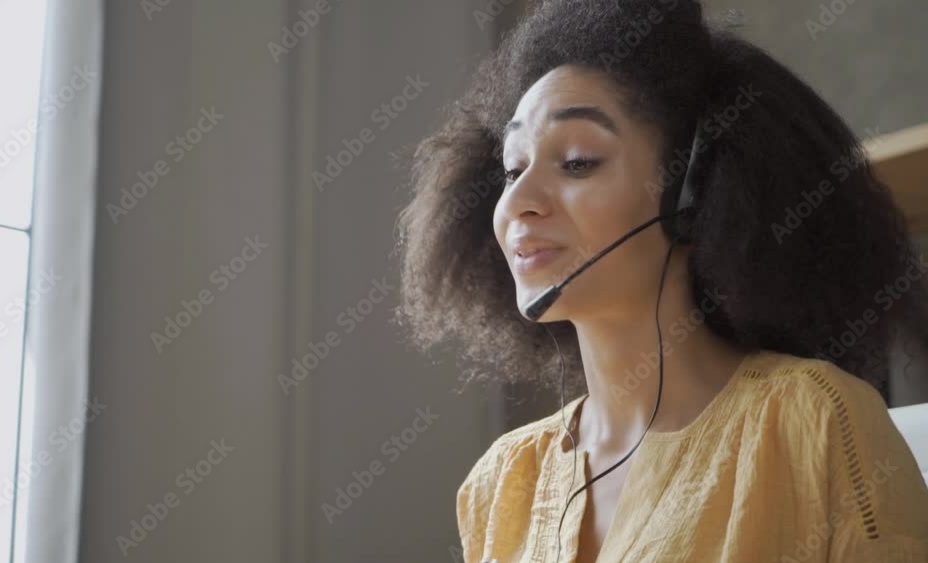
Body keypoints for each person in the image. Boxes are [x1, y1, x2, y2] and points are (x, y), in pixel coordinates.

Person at [392, 0, 928, 561]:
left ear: (695, 191)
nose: (517, 202)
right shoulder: (503, 481)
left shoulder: (812, 421)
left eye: (577, 161)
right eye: (512, 169)